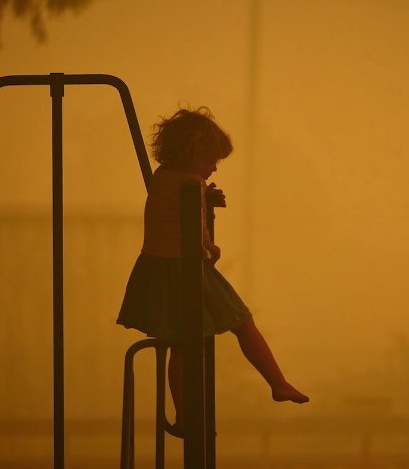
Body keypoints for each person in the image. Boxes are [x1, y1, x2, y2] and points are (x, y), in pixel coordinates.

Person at [117, 107, 309, 434]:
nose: (213, 167)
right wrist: (211, 247)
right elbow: (194, 227)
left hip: (157, 270)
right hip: (187, 270)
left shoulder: (163, 177)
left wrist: (206, 195)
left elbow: (176, 203)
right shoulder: (189, 184)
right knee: (242, 321)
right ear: (194, 154)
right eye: (211, 160)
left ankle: (184, 415)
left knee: (180, 345)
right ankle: (278, 382)